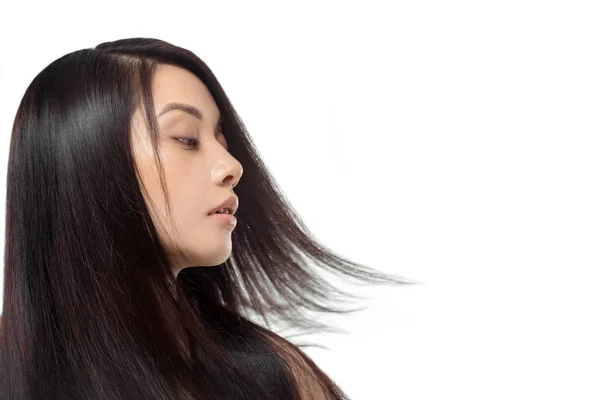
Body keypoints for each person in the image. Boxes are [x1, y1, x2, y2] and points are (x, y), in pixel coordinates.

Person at [0, 37, 412, 399]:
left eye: (222, 140)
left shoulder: (275, 377)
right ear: (86, 162)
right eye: (186, 139)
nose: (232, 166)